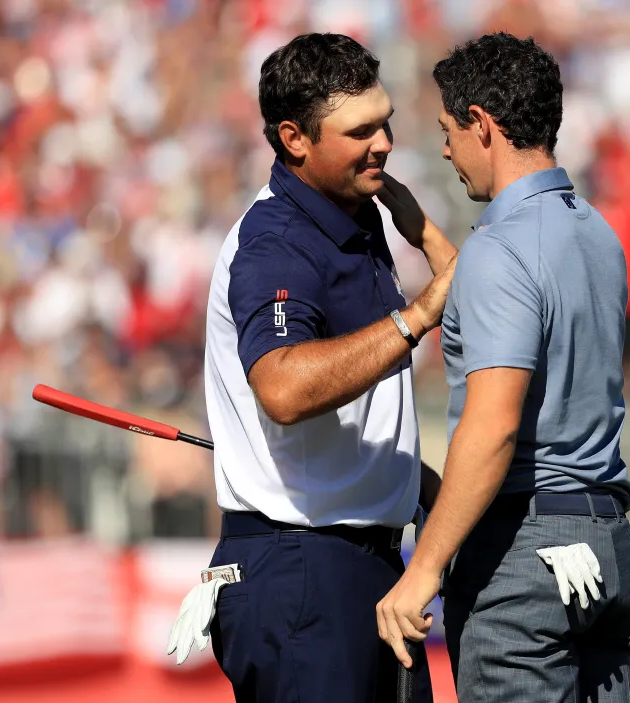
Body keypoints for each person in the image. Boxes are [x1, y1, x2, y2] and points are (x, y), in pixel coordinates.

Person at [165, 33, 457, 703]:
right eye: (359, 131)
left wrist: (419, 229)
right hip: (304, 572)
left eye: (384, 122)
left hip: (359, 564)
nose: (383, 142)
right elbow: (285, 387)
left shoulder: (358, 215)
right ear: (295, 138)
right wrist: (415, 317)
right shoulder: (276, 240)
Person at [376, 33, 630, 702]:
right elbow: (512, 290)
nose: (445, 148)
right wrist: (421, 231)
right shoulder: (594, 233)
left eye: (448, 129)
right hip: (606, 547)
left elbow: (494, 425)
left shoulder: (499, 249)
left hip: (525, 558)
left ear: (482, 124)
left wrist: (424, 570)